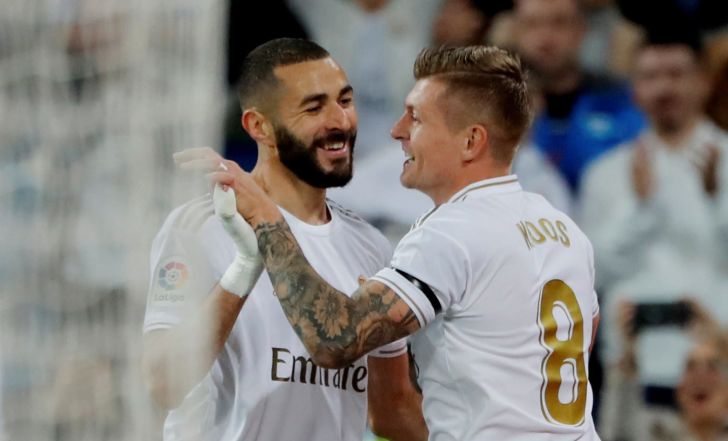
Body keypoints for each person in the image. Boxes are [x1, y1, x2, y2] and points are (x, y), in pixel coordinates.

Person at [197, 45, 602, 440]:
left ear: (471, 141)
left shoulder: (452, 233)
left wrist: (267, 219)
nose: (397, 131)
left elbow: (334, 340)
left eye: (416, 118)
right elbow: (584, 334)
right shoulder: (564, 230)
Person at [141, 38, 425, 441]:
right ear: (259, 126)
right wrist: (243, 269)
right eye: (314, 107)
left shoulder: (371, 245)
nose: (340, 121)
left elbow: (392, 410)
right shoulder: (201, 226)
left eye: (345, 101)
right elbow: (164, 384)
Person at [580, 33, 728, 392]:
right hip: (631, 369)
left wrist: (717, 200)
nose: (664, 88)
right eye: (650, 76)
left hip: (717, 367)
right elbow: (590, 275)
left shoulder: (724, 159)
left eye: (676, 74)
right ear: (634, 90)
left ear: (703, 82)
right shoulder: (605, 173)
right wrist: (639, 209)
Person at [511, 0, 644, 194]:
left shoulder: (620, 101)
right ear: (515, 32)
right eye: (532, 24)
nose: (546, 37)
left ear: (581, 30)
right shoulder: (494, 109)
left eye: (559, 23)